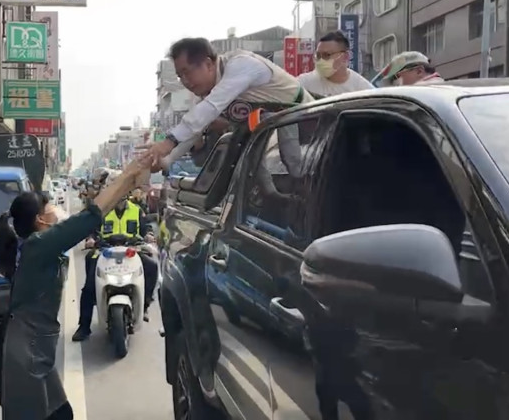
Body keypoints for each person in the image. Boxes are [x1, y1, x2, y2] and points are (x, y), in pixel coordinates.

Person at [0, 156, 151, 420]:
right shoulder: (39, 245)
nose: (56, 207)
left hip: (36, 347)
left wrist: (129, 181)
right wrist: (127, 175)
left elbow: (93, 215)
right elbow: (89, 217)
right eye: (50, 205)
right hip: (26, 353)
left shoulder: (36, 245)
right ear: (41, 220)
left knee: (62, 414)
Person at [142, 37, 315, 171]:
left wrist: (168, 142)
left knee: (296, 167)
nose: (185, 81)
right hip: (268, 133)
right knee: (246, 166)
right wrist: (165, 161)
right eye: (180, 76)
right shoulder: (205, 94)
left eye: (187, 72)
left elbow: (209, 109)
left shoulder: (241, 65)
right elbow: (195, 129)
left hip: (308, 122)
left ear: (208, 64)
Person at [72, 192, 158, 341]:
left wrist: (149, 236)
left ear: (127, 195)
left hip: (131, 249)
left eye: (123, 196)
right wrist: (91, 238)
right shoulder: (102, 211)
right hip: (105, 250)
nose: (119, 200)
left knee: (152, 266)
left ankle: (144, 305)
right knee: (89, 285)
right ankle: (84, 326)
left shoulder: (136, 210)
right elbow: (92, 230)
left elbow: (146, 228)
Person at [297, 30, 374, 98]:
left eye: (327, 55)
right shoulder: (304, 84)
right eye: (318, 56)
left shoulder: (363, 90)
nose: (320, 60)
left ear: (345, 57)